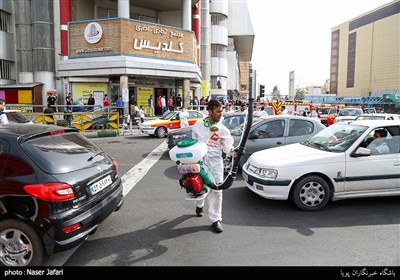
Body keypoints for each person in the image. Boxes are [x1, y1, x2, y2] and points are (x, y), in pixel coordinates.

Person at [191, 98, 235, 233]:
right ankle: (200, 204)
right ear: (210, 111)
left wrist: (234, 151)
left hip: (216, 163)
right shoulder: (198, 126)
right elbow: (193, 143)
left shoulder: (223, 129)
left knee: (217, 190)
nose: (221, 114)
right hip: (201, 162)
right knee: (200, 189)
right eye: (218, 111)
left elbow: (228, 147)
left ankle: (215, 220)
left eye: (221, 111)